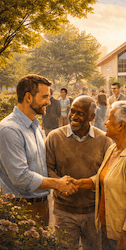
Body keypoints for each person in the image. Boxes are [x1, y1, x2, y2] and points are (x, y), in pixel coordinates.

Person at [74, 101, 126, 250]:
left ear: (120, 125)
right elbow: (103, 178)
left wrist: (125, 237)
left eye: (109, 119)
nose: (105, 122)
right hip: (109, 229)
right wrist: (79, 183)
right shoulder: (113, 149)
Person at [0, 75, 78, 226]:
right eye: (44, 97)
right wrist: (58, 184)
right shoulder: (9, 130)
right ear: (28, 97)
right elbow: (21, 177)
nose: (49, 102)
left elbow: (40, 168)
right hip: (20, 209)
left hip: (40, 206)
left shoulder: (34, 126)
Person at [46, 95, 112, 249]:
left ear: (92, 116)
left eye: (80, 114)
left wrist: (84, 184)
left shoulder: (104, 140)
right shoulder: (54, 137)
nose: (73, 117)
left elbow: (108, 173)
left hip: (93, 214)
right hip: (64, 213)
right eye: (72, 111)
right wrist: (60, 185)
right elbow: (48, 168)